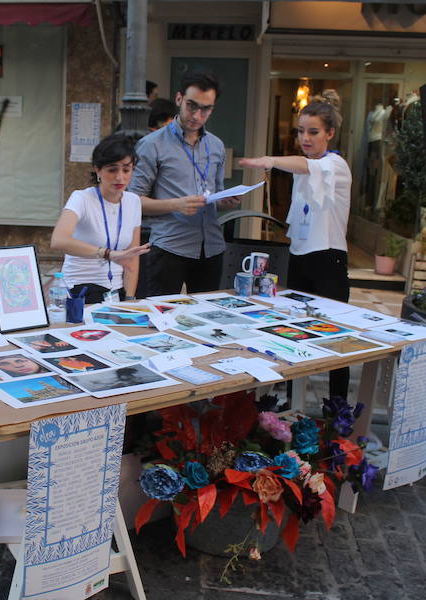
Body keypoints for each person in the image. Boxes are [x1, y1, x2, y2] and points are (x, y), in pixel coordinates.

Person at [239, 89, 351, 401]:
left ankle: (338, 411)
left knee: (335, 339)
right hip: (299, 256)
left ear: (330, 133)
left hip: (328, 259)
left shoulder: (335, 164)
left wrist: (271, 160)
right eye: (300, 131)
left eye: (313, 132)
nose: (305, 138)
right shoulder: (306, 166)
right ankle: (290, 402)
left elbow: (304, 166)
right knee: (292, 332)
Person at [129, 71, 241, 298]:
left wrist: (226, 201)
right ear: (179, 99)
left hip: (211, 247)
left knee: (208, 313)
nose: (197, 115)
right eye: (192, 106)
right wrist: (176, 205)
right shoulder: (152, 144)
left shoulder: (216, 145)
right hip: (170, 246)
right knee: (162, 312)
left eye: (206, 109)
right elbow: (132, 201)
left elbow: (216, 196)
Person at [51, 134, 151, 304]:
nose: (120, 177)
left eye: (126, 170)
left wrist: (129, 299)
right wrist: (107, 253)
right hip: (80, 288)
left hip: (116, 291)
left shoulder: (133, 201)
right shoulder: (81, 198)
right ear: (97, 170)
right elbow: (58, 240)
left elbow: (132, 257)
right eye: (112, 170)